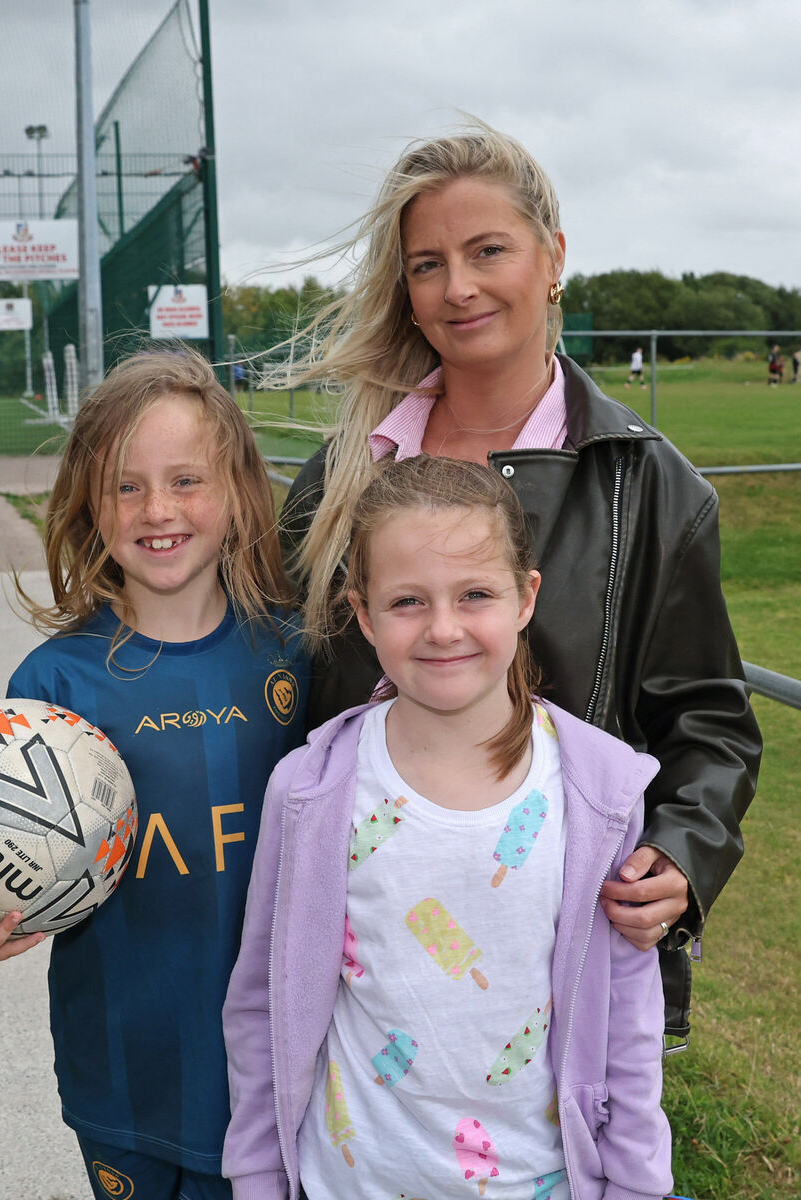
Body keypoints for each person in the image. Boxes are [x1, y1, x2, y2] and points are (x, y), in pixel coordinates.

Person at [276, 121, 761, 1044]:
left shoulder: (650, 487)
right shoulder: (344, 474)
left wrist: (684, 852)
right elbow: (277, 695)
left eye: (487, 250)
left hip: (554, 960)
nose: (457, 287)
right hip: (358, 949)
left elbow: (710, 723)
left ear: (553, 260)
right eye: (426, 264)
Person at [0, 348, 310, 1200]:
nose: (159, 509)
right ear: (90, 500)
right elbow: (5, 878)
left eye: (187, 480)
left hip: (284, 1084)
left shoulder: (296, 653)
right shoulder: (52, 690)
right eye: (127, 485)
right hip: (125, 1082)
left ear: (237, 490)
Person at [223, 454, 673, 1200]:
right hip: (348, 1184)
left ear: (525, 598)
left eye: (474, 595)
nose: (442, 629)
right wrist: (259, 1173)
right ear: (362, 613)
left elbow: (627, 1019)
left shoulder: (599, 792)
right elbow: (261, 1002)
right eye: (407, 601)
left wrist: (636, 1182)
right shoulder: (310, 790)